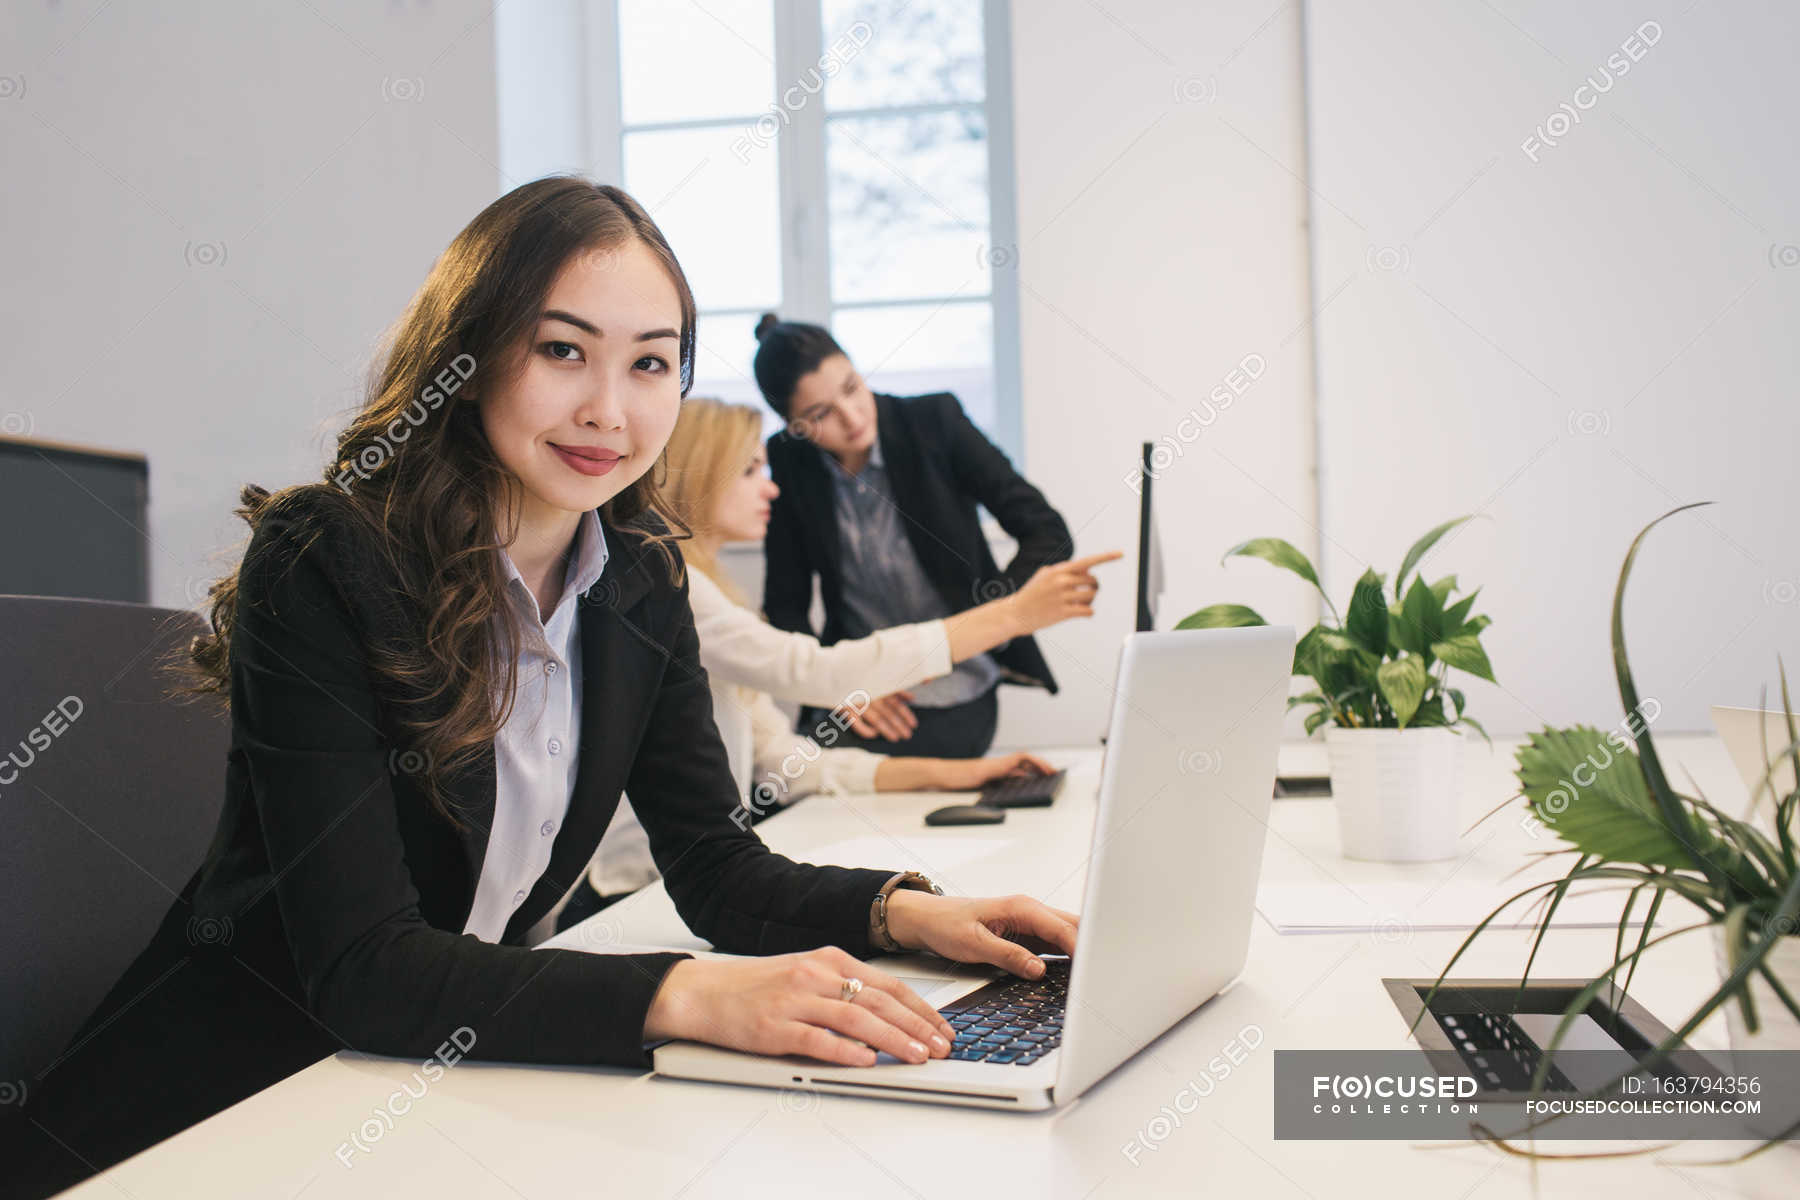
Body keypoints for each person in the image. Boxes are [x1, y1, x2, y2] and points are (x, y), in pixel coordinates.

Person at [6, 178, 1079, 1198]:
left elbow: (712, 866)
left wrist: (904, 913)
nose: (608, 409)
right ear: (468, 358)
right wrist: (683, 993)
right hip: (219, 1113)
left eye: (652, 365)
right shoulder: (328, 557)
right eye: (562, 350)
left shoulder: (642, 574)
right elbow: (365, 969)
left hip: (418, 1093)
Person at [568, 397, 1120, 921]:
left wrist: (964, 775)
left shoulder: (715, 588)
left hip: (673, 889)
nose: (772, 490)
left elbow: (781, 761)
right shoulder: (673, 584)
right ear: (700, 471)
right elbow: (815, 672)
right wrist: (1009, 616)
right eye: (749, 471)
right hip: (631, 895)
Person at [754, 314, 1075, 760]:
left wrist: (991, 619)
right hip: (857, 685)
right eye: (820, 414)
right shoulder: (789, 462)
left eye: (851, 387)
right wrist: (837, 686)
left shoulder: (933, 421)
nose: (851, 417)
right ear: (794, 426)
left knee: (894, 788)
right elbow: (785, 602)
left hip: (955, 678)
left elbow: (1047, 530)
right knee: (794, 785)